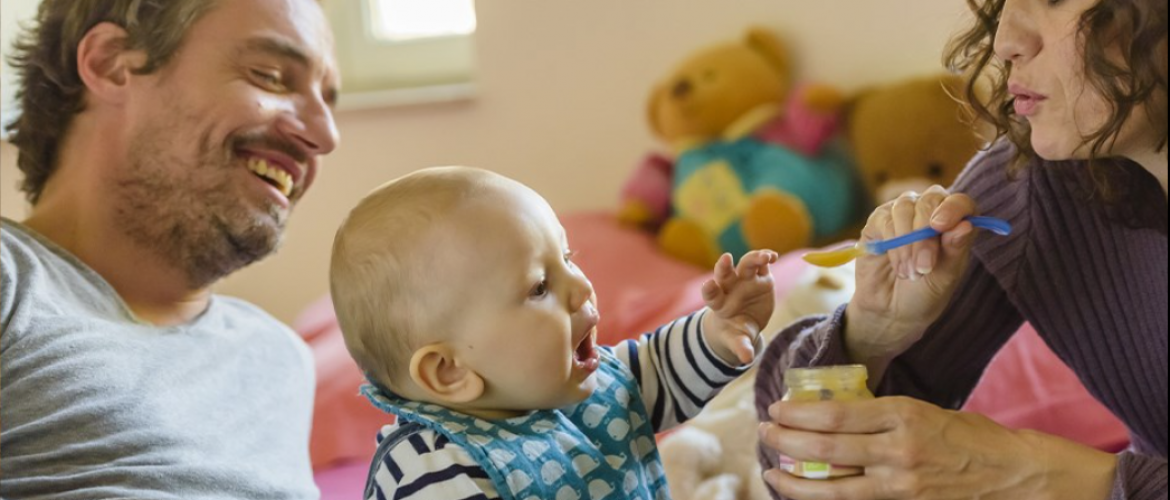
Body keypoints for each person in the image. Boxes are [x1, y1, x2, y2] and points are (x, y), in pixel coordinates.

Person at [755, 0, 1167, 498]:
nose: (1005, 40)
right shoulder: (1035, 185)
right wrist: (869, 337)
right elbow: (796, 468)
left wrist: (1052, 477)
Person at [0, 0, 340, 498]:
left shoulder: (281, 359)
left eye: (329, 101)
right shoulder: (12, 284)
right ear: (112, 63)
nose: (325, 135)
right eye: (269, 76)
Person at [329, 167, 776, 499]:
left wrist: (721, 331)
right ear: (449, 371)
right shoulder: (436, 471)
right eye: (539, 286)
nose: (581, 286)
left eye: (569, 256)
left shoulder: (590, 391)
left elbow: (660, 366)